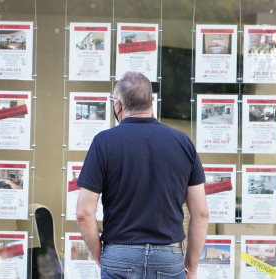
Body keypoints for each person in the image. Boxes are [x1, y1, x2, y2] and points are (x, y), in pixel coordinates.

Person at [76, 71, 209, 279]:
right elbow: (201, 213)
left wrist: (101, 257)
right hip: (168, 257)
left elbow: (84, 212)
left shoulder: (103, 143)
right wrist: (191, 268)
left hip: (119, 253)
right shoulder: (183, 143)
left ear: (117, 105)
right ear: (151, 103)